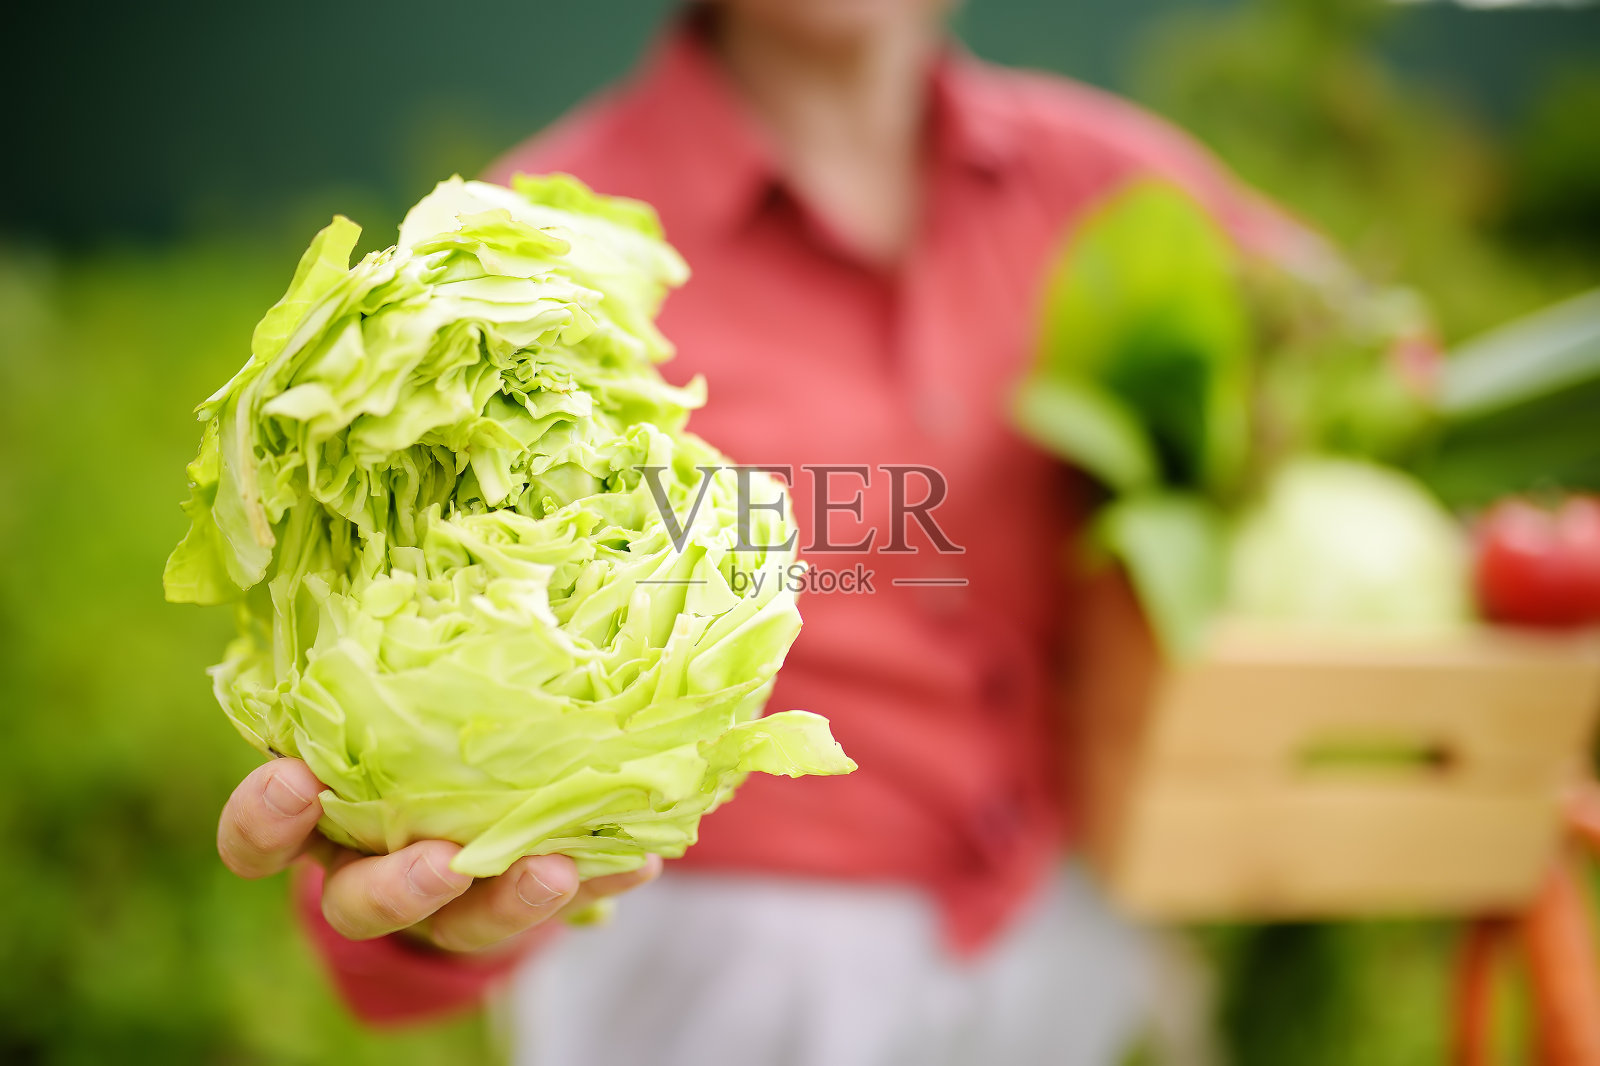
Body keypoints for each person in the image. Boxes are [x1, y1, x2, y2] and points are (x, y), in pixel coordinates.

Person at [217, 1, 1309, 1062]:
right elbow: (381, 691)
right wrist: (422, 899)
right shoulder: (526, 259)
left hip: (1069, 937)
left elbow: (1377, 373)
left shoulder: (1111, 184)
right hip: (710, 981)